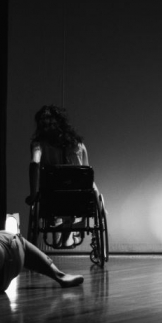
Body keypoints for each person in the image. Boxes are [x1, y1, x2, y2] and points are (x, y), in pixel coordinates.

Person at [28, 105, 102, 247]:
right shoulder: (78, 145)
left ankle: (62, 229)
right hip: (78, 201)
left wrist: (33, 194)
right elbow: (87, 175)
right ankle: (68, 230)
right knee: (79, 188)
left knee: (54, 194)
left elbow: (34, 164)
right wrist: (98, 204)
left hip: (53, 200)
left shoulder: (39, 145)